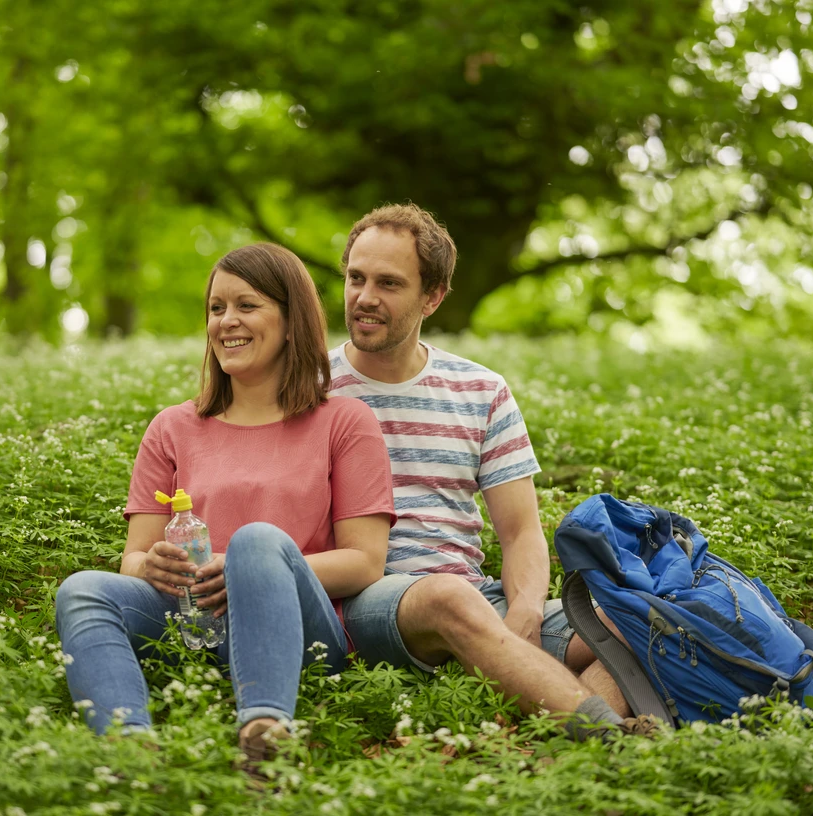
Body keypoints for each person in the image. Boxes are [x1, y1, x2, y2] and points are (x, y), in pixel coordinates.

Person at [55, 243, 395, 762]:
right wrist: (156, 567)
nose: (227, 322)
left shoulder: (344, 422)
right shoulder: (172, 427)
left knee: (254, 542)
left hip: (302, 633)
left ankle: (264, 734)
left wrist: (246, 568)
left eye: (246, 305)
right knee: (82, 591)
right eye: (217, 308)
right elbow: (133, 558)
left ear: (291, 320)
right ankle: (129, 754)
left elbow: (366, 562)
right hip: (194, 621)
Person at [331, 203, 653, 736]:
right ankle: (602, 733)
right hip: (370, 603)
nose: (365, 298)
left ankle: (546, 739)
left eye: (388, 283)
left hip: (477, 599)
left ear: (431, 297)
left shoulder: (481, 390)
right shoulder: (308, 388)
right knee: (445, 597)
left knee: (633, 626)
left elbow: (522, 531)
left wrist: (524, 613)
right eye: (356, 278)